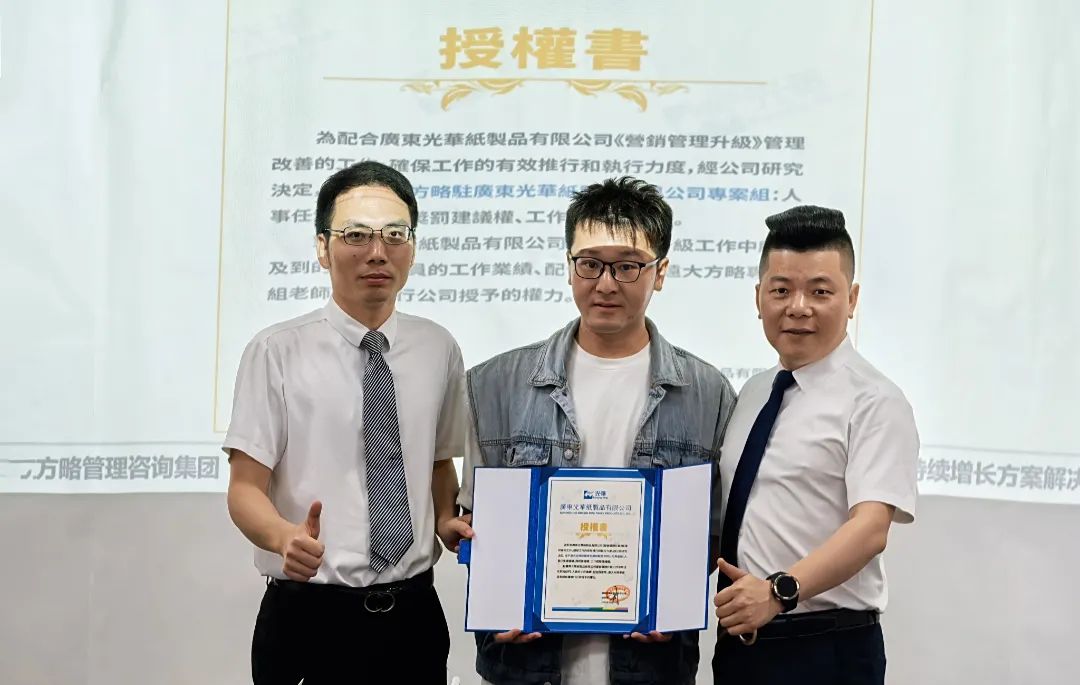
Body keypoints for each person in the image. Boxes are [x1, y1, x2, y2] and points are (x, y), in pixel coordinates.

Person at [452, 176, 737, 685]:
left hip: (648, 667)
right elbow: (478, 520)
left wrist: (670, 604)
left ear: (660, 272)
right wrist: (500, 599)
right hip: (528, 665)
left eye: (628, 266)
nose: (606, 284)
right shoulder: (494, 384)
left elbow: (709, 535)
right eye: (589, 263)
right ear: (569, 266)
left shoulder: (707, 392)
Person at [223, 161, 468, 684]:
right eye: (356, 235)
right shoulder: (275, 351)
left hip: (412, 616)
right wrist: (283, 537)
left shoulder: (438, 348)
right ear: (322, 247)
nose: (377, 252)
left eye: (395, 235)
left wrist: (447, 519)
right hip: (307, 617)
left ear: (412, 248)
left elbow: (437, 461)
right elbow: (244, 488)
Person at [711, 205, 919, 684]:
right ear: (758, 297)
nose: (798, 307)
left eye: (820, 291)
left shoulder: (875, 400)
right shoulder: (755, 392)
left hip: (827, 650)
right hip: (743, 646)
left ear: (852, 299)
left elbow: (871, 528)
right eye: (781, 290)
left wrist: (778, 592)